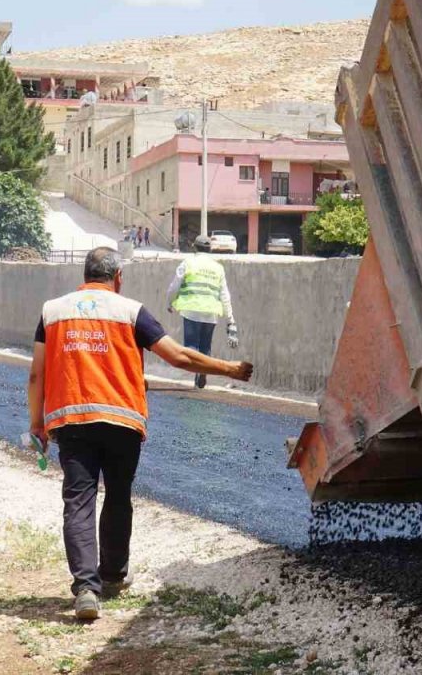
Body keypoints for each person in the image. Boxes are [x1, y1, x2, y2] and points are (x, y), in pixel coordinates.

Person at [27, 247, 253, 620]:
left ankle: (86, 588)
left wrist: (37, 422)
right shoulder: (131, 311)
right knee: (117, 497)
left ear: (85, 274)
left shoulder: (52, 311)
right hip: (122, 423)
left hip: (72, 422)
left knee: (78, 502)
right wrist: (227, 368)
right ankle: (113, 574)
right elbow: (178, 356)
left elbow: (37, 373)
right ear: (117, 278)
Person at [167, 234, 238, 389]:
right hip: (211, 313)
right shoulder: (218, 268)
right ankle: (202, 372)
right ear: (210, 248)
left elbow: (174, 286)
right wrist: (230, 319)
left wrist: (169, 302)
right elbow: (225, 295)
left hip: (191, 310)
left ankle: (198, 371)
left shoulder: (188, 262)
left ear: (194, 247)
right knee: (205, 347)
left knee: (191, 347)